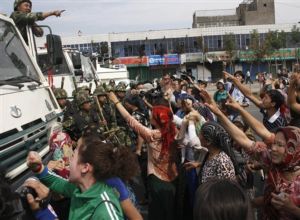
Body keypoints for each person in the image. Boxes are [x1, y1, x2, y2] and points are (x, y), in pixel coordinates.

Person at [200, 89, 300, 220]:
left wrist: (291, 208)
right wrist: (218, 112)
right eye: (274, 143)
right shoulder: (271, 160)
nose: (273, 148)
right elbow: (242, 139)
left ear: (295, 151)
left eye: (280, 145)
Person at [26, 130, 138, 219]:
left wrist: (42, 212)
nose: (69, 161)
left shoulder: (104, 211)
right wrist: (39, 168)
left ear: (85, 167)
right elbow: (58, 183)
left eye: (73, 156)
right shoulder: (80, 189)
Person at [108, 91, 177, 220]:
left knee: (158, 212)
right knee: (171, 210)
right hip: (173, 178)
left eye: (152, 115)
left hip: (157, 180)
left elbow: (130, 119)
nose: (150, 115)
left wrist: (116, 102)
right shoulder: (174, 131)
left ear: (156, 120)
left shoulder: (151, 135)